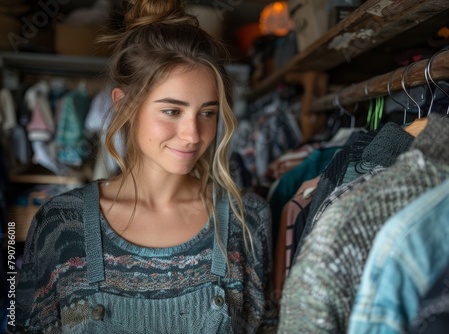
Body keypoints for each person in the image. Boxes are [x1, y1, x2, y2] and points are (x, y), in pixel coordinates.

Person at [10, 0, 275, 332]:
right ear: (125, 105)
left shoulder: (246, 219)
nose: (193, 135)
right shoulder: (62, 223)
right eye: (172, 111)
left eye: (207, 112)